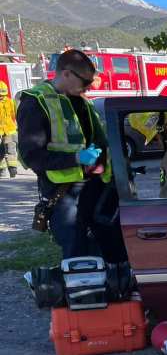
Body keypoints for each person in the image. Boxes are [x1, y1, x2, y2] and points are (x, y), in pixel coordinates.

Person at [16, 49, 112, 258]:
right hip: (64, 193)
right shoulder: (36, 101)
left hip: (95, 187)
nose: (88, 87)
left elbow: (98, 139)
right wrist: (76, 158)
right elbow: (32, 156)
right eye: (84, 81)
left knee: (105, 247)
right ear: (66, 73)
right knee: (76, 251)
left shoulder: (82, 101)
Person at [0, 81, 19, 178]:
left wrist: (16, 126)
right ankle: (2, 170)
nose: (1, 97)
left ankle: (12, 170)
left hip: (9, 130)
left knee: (10, 149)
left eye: (3, 94)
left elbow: (14, 115)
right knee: (0, 151)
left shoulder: (10, 101)